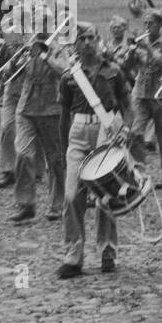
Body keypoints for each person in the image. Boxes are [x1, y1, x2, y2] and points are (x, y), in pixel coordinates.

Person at [57, 22, 130, 277]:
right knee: (71, 195)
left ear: (98, 39)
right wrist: (63, 148)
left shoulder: (114, 71)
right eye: (82, 38)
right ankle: (73, 255)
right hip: (78, 132)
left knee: (105, 194)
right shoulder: (69, 76)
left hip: (106, 130)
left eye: (91, 37)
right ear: (75, 44)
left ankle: (108, 250)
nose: (87, 42)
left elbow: (127, 106)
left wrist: (126, 130)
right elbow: (64, 115)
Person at [7, 29, 66, 224]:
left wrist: (45, 56)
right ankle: (26, 204)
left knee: (55, 159)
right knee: (23, 155)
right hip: (26, 108)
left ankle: (57, 204)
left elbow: (64, 71)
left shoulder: (59, 49)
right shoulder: (27, 47)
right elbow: (8, 74)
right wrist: (16, 61)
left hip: (51, 109)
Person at [128, 9, 162, 189]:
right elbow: (128, 67)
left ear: (160, 25)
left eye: (151, 23)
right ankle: (137, 174)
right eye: (145, 23)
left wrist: (148, 48)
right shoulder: (141, 42)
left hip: (161, 95)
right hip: (140, 94)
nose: (147, 27)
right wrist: (131, 53)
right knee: (134, 134)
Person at [0, 2, 26, 190]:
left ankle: (36, 169)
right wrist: (4, 49)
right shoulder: (8, 40)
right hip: (11, 89)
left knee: (32, 130)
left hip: (29, 89)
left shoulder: (31, 38)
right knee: (6, 128)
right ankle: (9, 171)